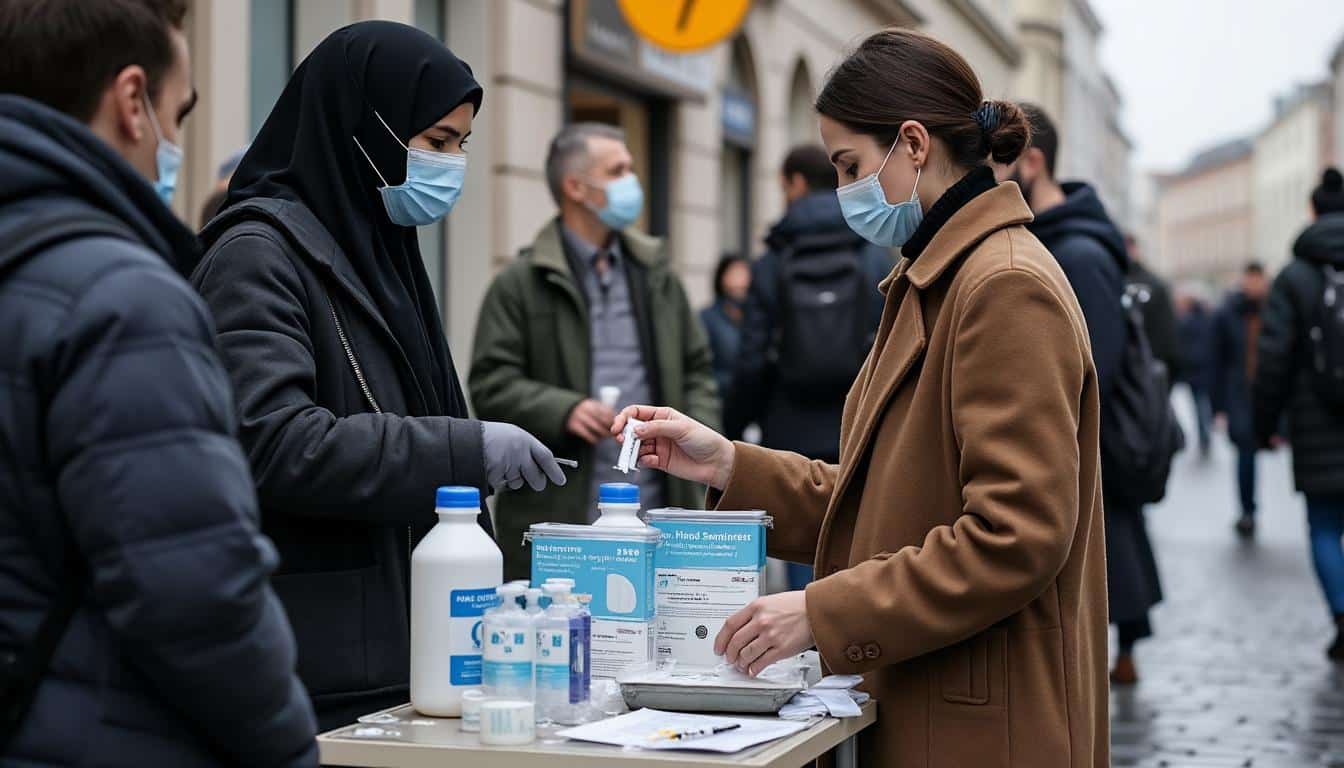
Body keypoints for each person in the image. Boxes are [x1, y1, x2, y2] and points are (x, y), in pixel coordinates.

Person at [613, 29, 1108, 767]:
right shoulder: (936, 277)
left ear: (912, 143)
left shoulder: (1001, 286)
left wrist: (820, 611)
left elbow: (1018, 535)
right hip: (942, 698)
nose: (843, 188)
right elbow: (885, 500)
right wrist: (724, 463)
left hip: (987, 719)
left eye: (848, 165)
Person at [191, 22, 564, 730]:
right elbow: (270, 442)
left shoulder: (377, 251)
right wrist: (464, 450)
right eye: (436, 141)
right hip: (319, 672)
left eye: (460, 143)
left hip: (396, 653)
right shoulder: (258, 255)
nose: (452, 163)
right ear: (363, 130)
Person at [0, 1, 317, 765]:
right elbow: (199, 592)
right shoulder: (123, 297)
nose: (175, 145)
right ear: (132, 100)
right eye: (179, 114)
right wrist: (287, 746)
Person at [470, 122, 720, 580]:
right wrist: (563, 410)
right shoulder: (520, 283)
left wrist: (698, 436)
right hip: (564, 521)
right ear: (576, 187)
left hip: (659, 511)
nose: (632, 182)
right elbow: (490, 385)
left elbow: (698, 371)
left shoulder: (656, 274)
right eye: (618, 170)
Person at [995, 103, 1160, 685]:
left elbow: (1098, 362)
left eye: (995, 163)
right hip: (1078, 433)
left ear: (1032, 161)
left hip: (1094, 435)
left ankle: (1116, 651)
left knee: (1110, 542)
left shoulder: (1080, 252)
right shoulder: (1055, 238)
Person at [724, 143, 892, 590]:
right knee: (864, 540)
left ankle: (809, 648)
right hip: (860, 425)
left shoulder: (772, 262)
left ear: (796, 183)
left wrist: (736, 425)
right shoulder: (872, 253)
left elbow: (752, 358)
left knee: (804, 543)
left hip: (788, 429)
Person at [1254, 167, 1344, 660]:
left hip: (1316, 424)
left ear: (1312, 211)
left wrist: (1264, 425)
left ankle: (1342, 612)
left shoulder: (1295, 276)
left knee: (1325, 527)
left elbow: (1273, 358)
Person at [1213, 262, 1270, 539]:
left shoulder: (1275, 308)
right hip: (1239, 395)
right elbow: (1217, 360)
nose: (1253, 285)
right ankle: (1248, 510)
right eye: (1250, 279)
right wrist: (1219, 406)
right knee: (1245, 453)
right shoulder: (1228, 313)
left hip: (1269, 392)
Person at [700, 253, 751, 400]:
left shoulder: (755, 317)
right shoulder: (708, 318)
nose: (740, 282)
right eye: (734, 275)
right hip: (720, 399)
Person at [1178, 289, 1217, 457]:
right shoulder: (1208, 320)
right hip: (1205, 370)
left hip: (1194, 372)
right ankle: (1206, 436)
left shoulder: (1187, 322)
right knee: (1204, 405)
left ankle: (1204, 436)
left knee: (1199, 406)